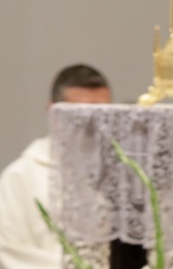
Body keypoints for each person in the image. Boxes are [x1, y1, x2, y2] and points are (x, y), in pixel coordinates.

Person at [0, 64, 111, 269]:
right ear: (52, 112)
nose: (92, 125)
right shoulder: (21, 176)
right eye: (80, 115)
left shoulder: (121, 173)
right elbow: (8, 250)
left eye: (101, 114)